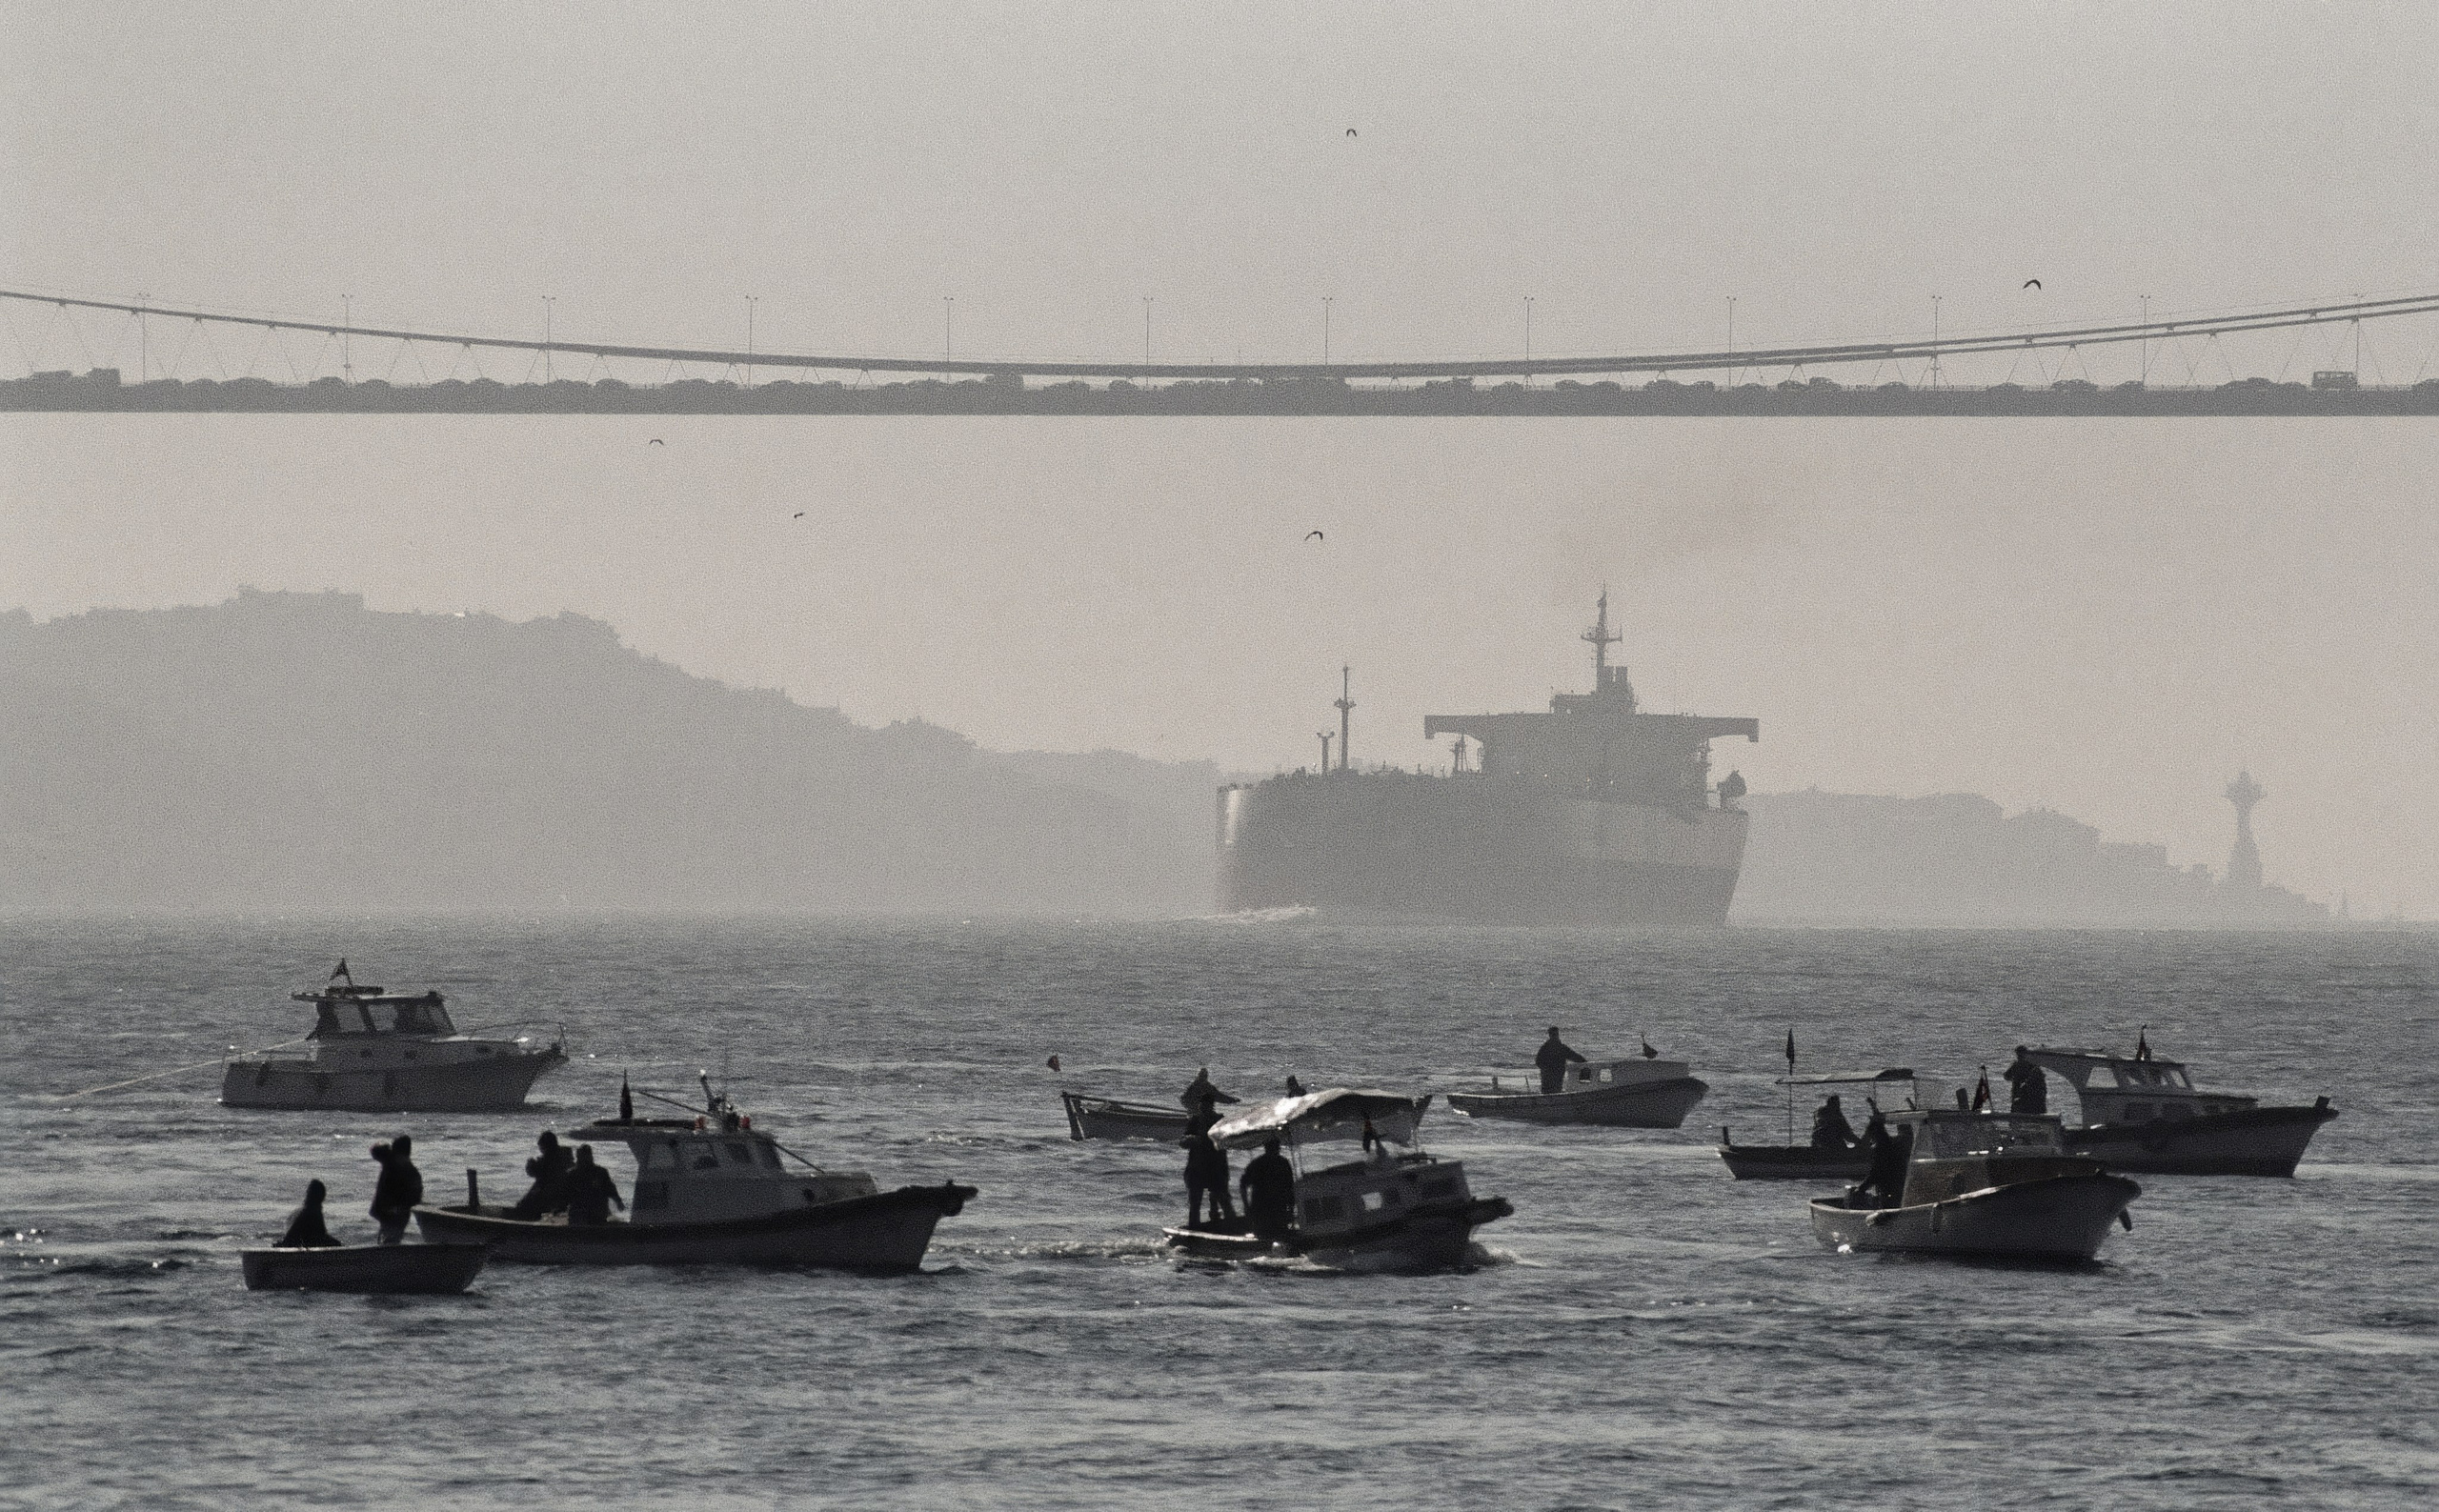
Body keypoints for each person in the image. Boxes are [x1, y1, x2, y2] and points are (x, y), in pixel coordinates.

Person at [1240, 1137, 1298, 1241]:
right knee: (1277, 1235)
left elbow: (1243, 1185)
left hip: (1269, 1208)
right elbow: (1290, 1187)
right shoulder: (1282, 1163)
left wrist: (1246, 1206)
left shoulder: (1258, 1163)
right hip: (1270, 1208)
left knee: (1266, 1236)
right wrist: (1291, 1208)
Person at [370, 1135, 421, 1245]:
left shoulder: (407, 1170)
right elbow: (375, 1150)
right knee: (387, 1240)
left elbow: (416, 1195)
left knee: (390, 1241)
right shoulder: (391, 1163)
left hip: (396, 1214)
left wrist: (400, 1207)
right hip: (386, 1212)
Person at [510, 1130, 574, 1220]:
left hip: (549, 1193)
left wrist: (530, 1164)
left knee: (525, 1205)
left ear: (545, 1146)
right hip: (562, 1194)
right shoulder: (565, 1156)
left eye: (541, 1147)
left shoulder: (549, 1159)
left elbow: (536, 1172)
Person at [1181, 1130, 1236, 1229]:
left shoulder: (1215, 1122)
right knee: (1196, 1205)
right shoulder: (1197, 1121)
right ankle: (1232, 1226)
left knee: (1221, 1201)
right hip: (1201, 1170)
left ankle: (1233, 1227)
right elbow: (1183, 1142)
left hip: (1213, 1169)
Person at [565, 1144, 626, 1225]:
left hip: (597, 1215)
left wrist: (618, 1201)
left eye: (586, 1155)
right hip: (578, 1216)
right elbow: (564, 1194)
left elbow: (610, 1188)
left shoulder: (600, 1173)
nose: (585, 1158)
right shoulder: (572, 1175)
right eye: (583, 1155)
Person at [278, 1179, 341, 1248]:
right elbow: (321, 1235)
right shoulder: (312, 1212)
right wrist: (338, 1245)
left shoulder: (308, 1210)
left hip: (297, 1246)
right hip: (294, 1249)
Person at [1535, 1027, 1586, 1094]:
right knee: (1548, 1093)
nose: (1555, 1036)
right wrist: (1547, 1068)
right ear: (1550, 1035)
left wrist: (1585, 1063)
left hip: (1557, 1075)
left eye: (1556, 1034)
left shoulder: (1561, 1048)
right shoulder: (1545, 1048)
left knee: (1555, 1092)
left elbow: (1574, 1056)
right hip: (1548, 1076)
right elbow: (1538, 1061)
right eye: (1553, 1034)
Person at [2004, 1047, 2048, 1116]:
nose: (2019, 1057)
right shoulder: (2030, 1066)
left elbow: (2007, 1076)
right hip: (2023, 1096)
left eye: (2020, 1055)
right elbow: (2007, 1076)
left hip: (2028, 1096)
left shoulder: (2028, 1066)